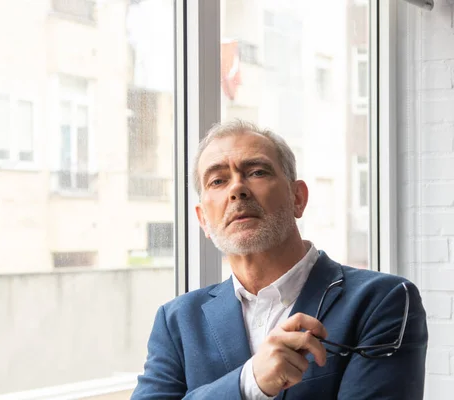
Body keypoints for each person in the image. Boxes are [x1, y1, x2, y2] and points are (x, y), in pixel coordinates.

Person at [131, 120, 428, 399]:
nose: (237, 189)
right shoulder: (177, 321)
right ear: (203, 220)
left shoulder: (381, 301)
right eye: (218, 180)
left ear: (297, 198)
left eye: (257, 172)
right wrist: (249, 382)